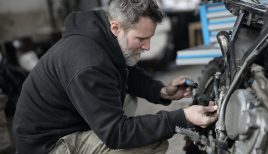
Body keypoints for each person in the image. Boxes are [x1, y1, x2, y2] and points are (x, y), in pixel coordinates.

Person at [13, 0, 218, 153]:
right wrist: (182, 117)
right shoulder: (88, 64)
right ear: (116, 27)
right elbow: (116, 133)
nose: (147, 47)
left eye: (150, 38)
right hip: (48, 146)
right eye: (141, 38)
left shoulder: (102, 33)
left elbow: (125, 70)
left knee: (130, 98)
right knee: (152, 143)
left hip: (66, 123)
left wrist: (161, 91)